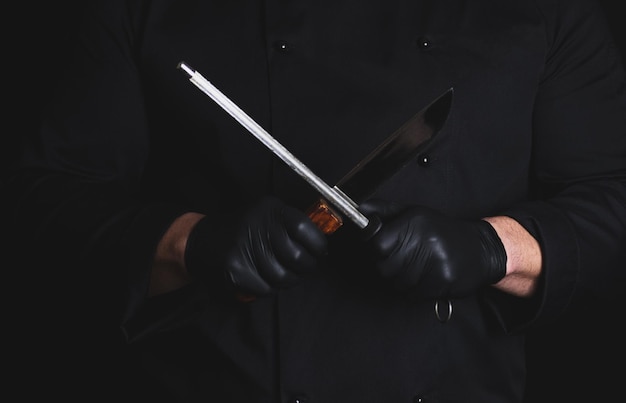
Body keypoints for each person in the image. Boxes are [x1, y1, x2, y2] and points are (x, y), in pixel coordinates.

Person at [4, 0, 626, 402]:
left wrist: (493, 248)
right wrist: (191, 242)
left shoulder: (546, 10)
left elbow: (613, 193)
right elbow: (42, 196)